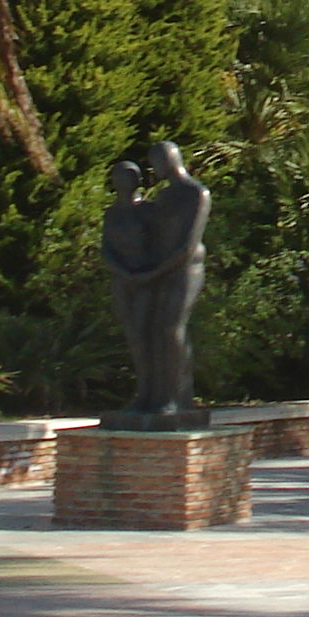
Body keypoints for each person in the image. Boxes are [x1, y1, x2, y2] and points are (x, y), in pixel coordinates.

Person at [97, 141, 212, 430]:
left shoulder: (195, 193)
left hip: (183, 269)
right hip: (160, 272)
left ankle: (177, 399)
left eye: (157, 162)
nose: (154, 170)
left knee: (171, 328)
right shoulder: (163, 197)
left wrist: (153, 272)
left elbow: (188, 244)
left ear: (171, 160)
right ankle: (153, 396)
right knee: (152, 333)